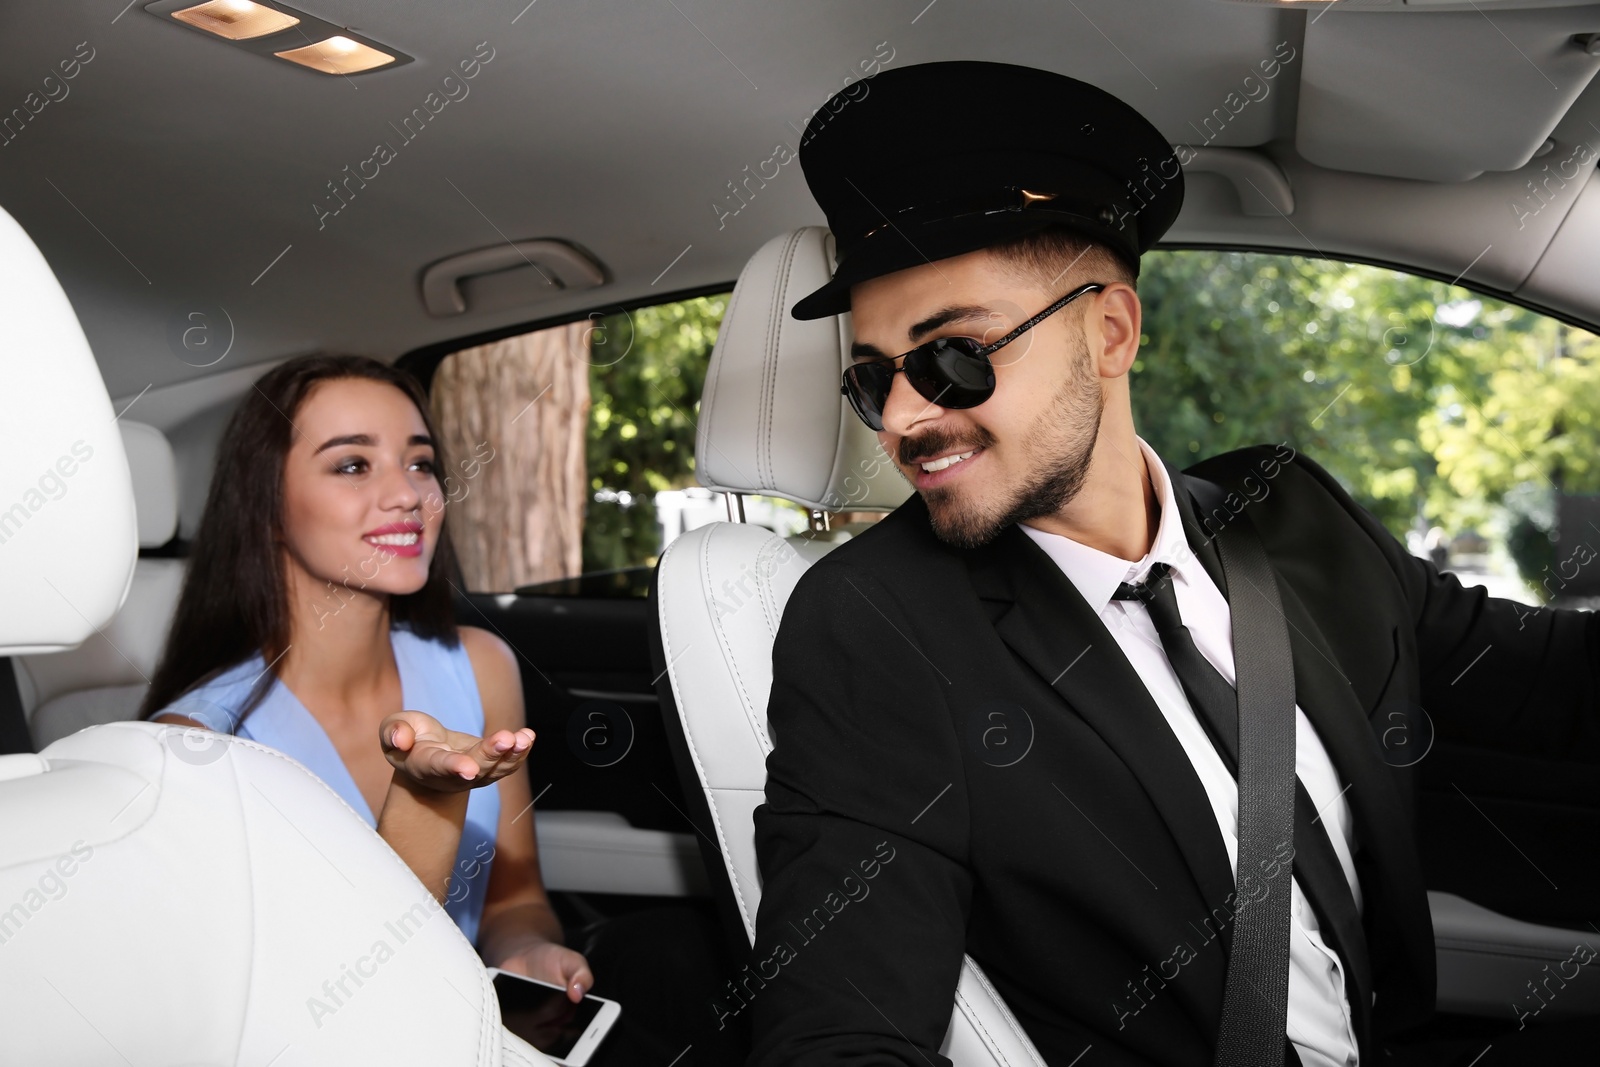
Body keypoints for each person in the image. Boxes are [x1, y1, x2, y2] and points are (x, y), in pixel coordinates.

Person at [747, 61, 1600, 1067]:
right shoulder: (873, 620)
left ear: (1109, 330)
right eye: (873, 380)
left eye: (951, 358)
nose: (901, 419)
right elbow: (840, 1031)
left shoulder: (1286, 516)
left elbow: (1555, 683)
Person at [142, 355, 741, 1065]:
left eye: (421, 463)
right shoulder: (198, 745)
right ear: (264, 503)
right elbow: (279, 1008)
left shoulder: (481, 664)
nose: (409, 494)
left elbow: (512, 899)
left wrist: (527, 954)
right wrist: (428, 800)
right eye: (353, 466)